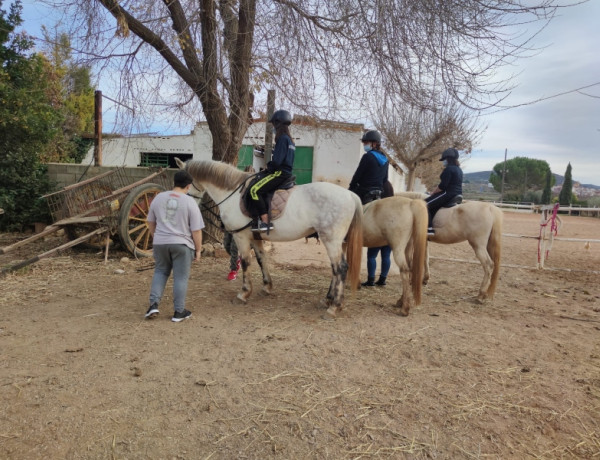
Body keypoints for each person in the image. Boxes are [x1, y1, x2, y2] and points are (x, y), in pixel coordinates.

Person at [145, 170, 204, 322]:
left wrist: (156, 236)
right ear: (189, 186)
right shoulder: (189, 201)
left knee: (160, 272)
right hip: (182, 244)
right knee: (180, 277)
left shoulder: (159, 198)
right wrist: (198, 249)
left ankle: (153, 305)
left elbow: (150, 221)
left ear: (174, 182)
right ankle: (179, 311)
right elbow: (196, 230)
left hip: (160, 242)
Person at [249, 109, 295, 232]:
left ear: (278, 123)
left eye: (274, 124)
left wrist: (268, 167)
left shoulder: (282, 139)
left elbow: (277, 161)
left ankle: (265, 222)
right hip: (286, 173)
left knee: (254, 190)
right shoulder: (290, 140)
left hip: (279, 173)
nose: (273, 127)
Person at [361, 180, 394, 287]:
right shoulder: (393, 207)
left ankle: (370, 280)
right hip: (389, 234)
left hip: (377, 234)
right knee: (386, 256)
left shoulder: (376, 206)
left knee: (371, 256)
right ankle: (383, 280)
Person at [425, 147, 463, 236]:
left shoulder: (448, 169)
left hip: (448, 193)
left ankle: (429, 229)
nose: (443, 162)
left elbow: (442, 186)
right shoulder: (459, 169)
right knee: (433, 204)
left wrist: (433, 193)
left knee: (424, 204)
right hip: (458, 193)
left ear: (448, 159)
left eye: (444, 160)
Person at [349, 130, 389, 205]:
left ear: (374, 144)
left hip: (364, 192)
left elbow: (357, 175)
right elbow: (385, 179)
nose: (364, 145)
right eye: (364, 143)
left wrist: (351, 188)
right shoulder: (386, 160)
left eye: (366, 143)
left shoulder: (368, 156)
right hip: (379, 193)